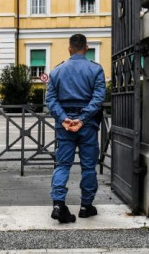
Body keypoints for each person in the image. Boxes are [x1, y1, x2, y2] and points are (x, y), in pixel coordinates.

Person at [45, 33, 106, 223]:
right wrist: (82, 118)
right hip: (87, 125)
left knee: (62, 164)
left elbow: (50, 99)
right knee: (88, 166)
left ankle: (58, 204)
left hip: (64, 126)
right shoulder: (95, 70)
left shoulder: (56, 71)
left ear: (69, 48)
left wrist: (64, 119)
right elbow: (98, 98)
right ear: (86, 48)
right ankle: (86, 206)